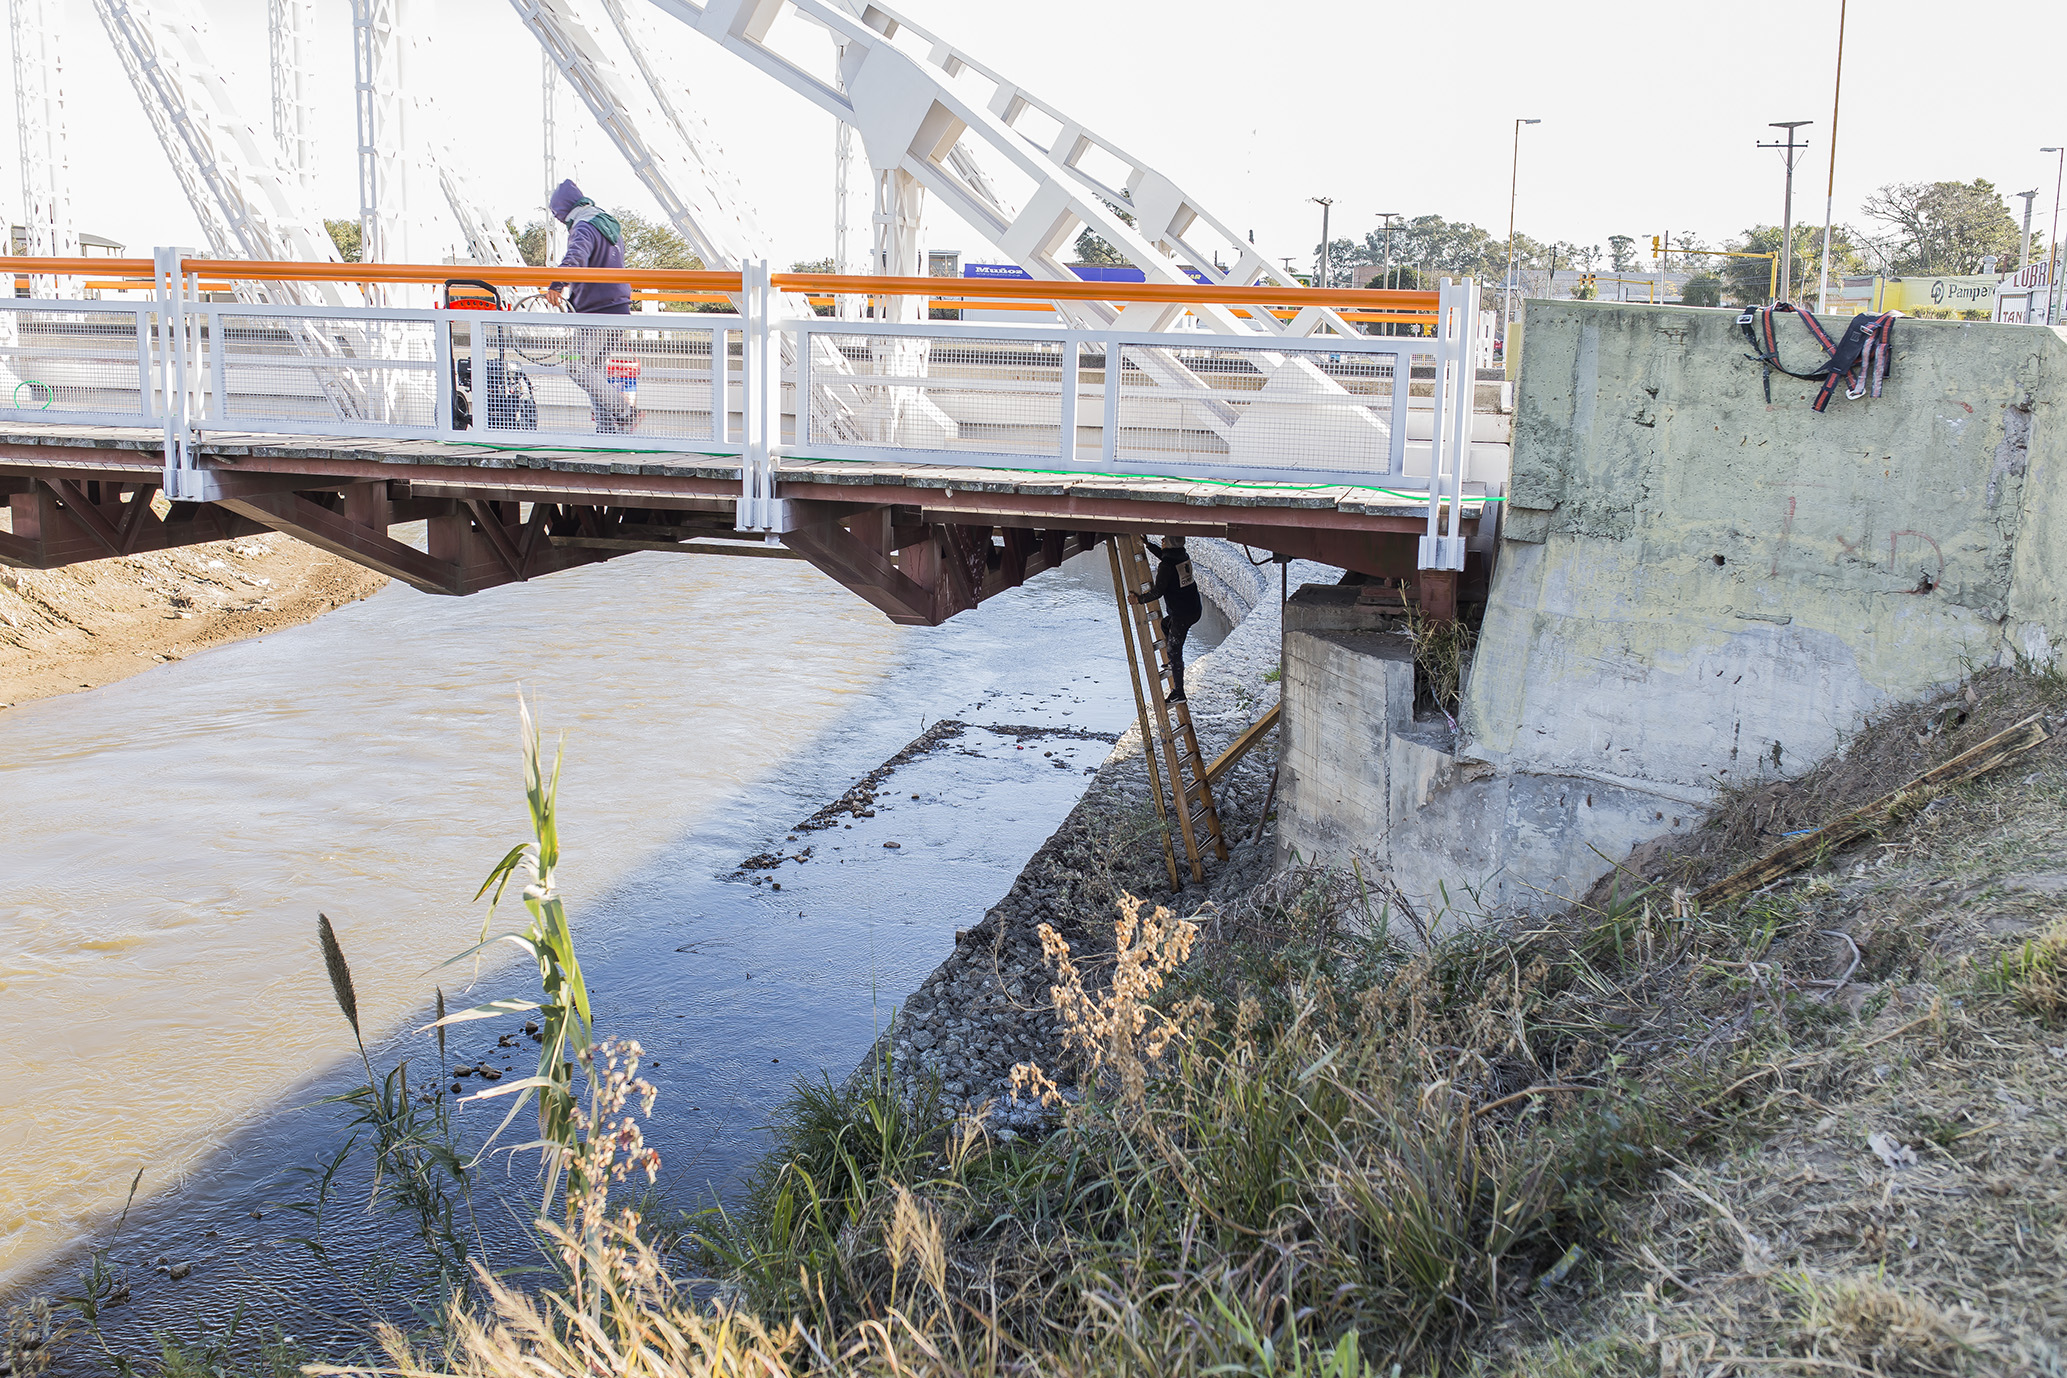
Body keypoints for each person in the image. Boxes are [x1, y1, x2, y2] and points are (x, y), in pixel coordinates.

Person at [544, 178, 639, 434]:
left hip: (597, 312)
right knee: (593, 371)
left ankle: (625, 412)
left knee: (575, 366)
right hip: (618, 307)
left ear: (564, 210)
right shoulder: (606, 224)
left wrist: (557, 284)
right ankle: (607, 431)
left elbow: (576, 257)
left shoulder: (583, 226)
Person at [1133, 536, 1202, 703]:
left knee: (1174, 650)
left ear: (1170, 544)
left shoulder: (1167, 565)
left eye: (1165, 539)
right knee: (1165, 624)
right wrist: (1149, 545)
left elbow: (1158, 592)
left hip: (1182, 613)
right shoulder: (1182, 556)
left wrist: (1139, 600)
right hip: (1193, 608)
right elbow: (1166, 557)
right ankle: (1173, 663)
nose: (1162, 540)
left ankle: (1179, 693)